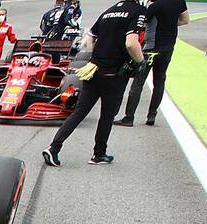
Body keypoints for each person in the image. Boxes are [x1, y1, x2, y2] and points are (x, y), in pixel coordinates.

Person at [42, 0, 145, 167]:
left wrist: (97, 55)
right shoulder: (138, 11)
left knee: (79, 112)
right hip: (114, 72)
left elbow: (88, 38)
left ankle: (54, 147)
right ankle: (99, 154)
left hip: (93, 68)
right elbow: (131, 43)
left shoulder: (109, 11)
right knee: (107, 115)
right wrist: (141, 62)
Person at [117, 0, 187, 126]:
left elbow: (142, 22)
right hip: (168, 47)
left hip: (151, 48)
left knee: (138, 82)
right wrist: (169, 25)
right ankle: (152, 115)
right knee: (159, 81)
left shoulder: (155, 5)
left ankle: (129, 117)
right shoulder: (179, 2)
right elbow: (185, 20)